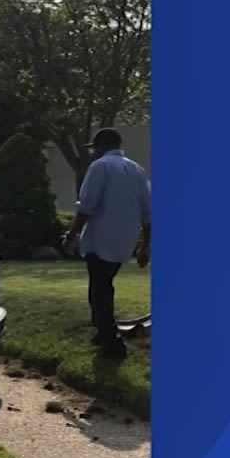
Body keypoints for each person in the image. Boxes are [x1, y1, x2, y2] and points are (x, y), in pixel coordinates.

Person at [64, 127, 151, 358]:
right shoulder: (137, 170)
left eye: (95, 148)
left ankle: (111, 341)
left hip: (100, 239)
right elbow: (147, 212)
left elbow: (86, 206)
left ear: (102, 145)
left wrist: (71, 235)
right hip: (125, 240)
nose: (93, 153)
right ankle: (102, 332)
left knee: (100, 290)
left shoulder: (100, 167)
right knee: (104, 285)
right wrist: (145, 246)